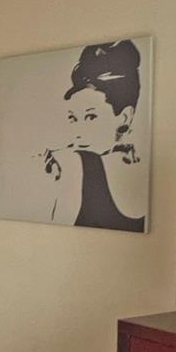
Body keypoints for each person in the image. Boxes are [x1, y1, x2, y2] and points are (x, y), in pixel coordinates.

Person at [38, 41, 146, 232]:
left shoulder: (74, 163)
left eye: (91, 117)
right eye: (73, 118)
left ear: (124, 117)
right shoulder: (142, 167)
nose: (78, 133)